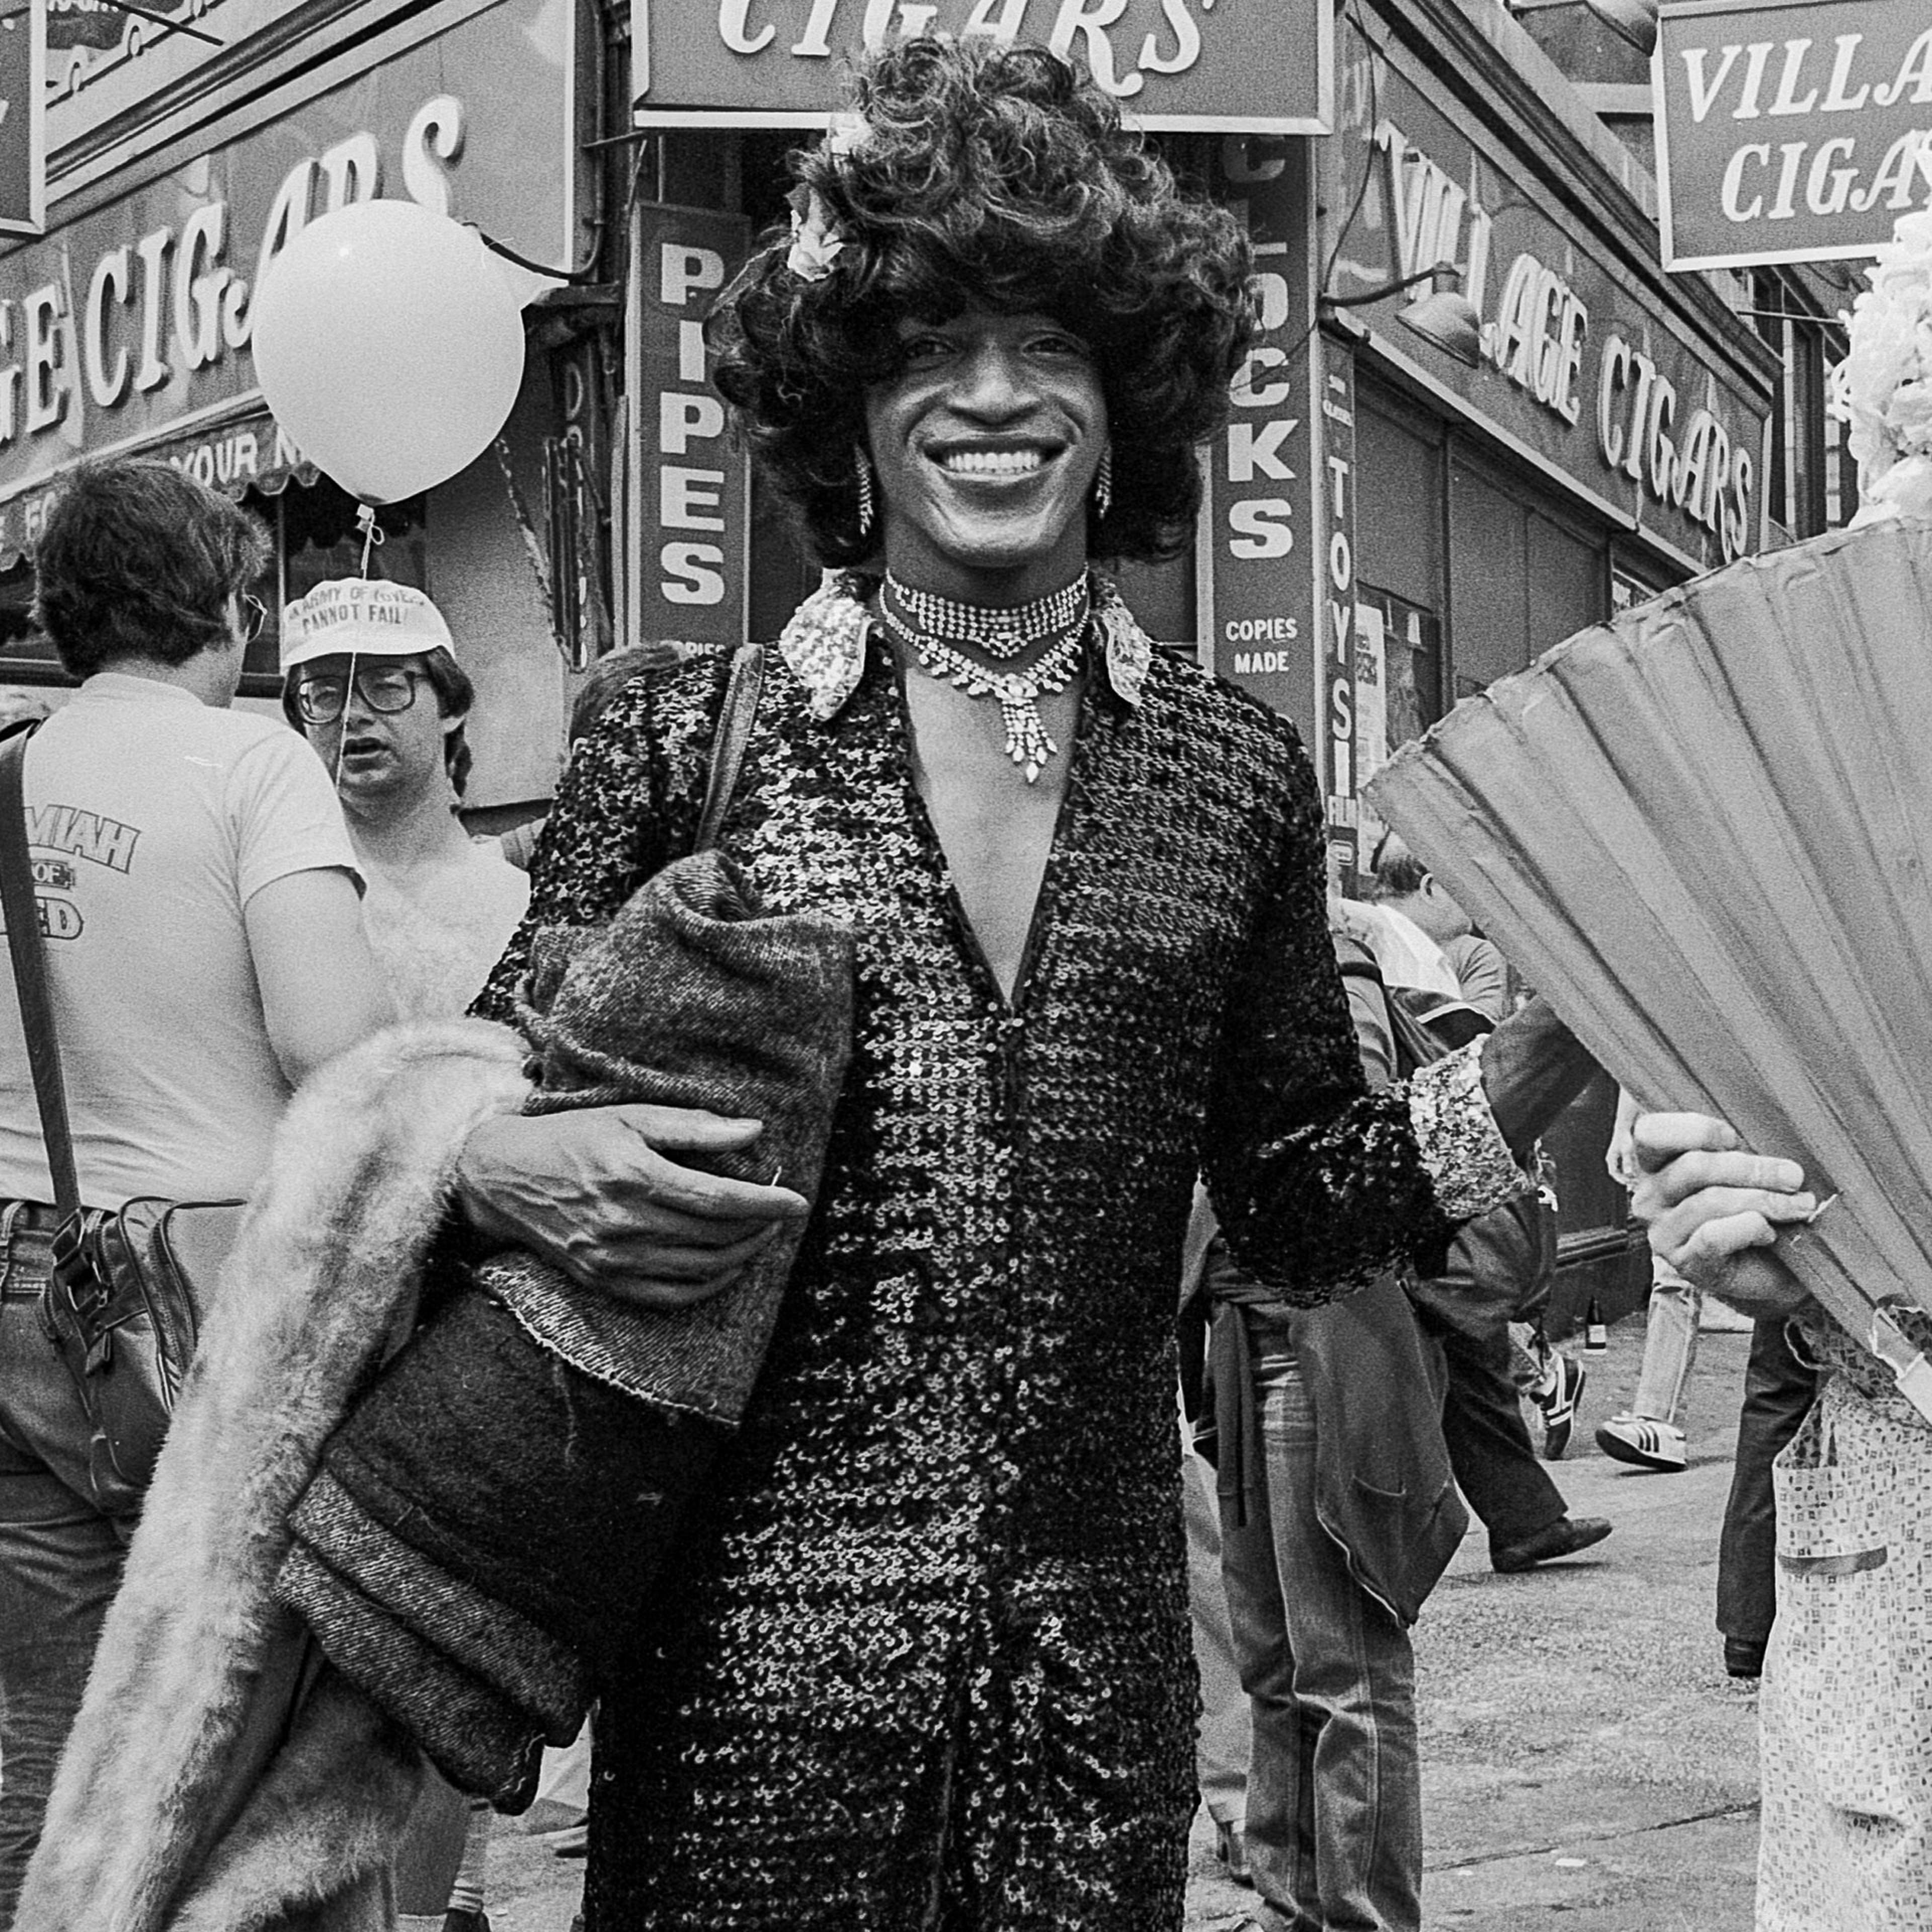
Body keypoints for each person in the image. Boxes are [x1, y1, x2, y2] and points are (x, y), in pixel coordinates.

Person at [17, 40, 1594, 1932]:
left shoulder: (1231, 773)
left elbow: (1296, 1198)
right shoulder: (690, 737)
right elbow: (479, 1086)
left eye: (1051, 347)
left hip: (1093, 1711)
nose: (994, 397)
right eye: (934, 348)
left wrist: (1557, 1040)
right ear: (850, 410)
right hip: (748, 1696)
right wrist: (516, 1163)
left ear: (1126, 403)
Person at [0, 459, 388, 1923]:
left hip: (14, 1296)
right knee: (266, 1741)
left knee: (47, 1745)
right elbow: (332, 1044)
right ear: (230, 608)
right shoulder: (250, 764)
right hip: (205, 1313)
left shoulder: (11, 764)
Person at [282, 580, 530, 1932]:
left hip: (475, 1329)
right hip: (315, 1329)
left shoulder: (526, 896)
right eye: (322, 689)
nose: (352, 712)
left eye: (386, 683)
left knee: (452, 1666)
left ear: (449, 702)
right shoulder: (282, 895)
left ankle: (454, 1909)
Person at [1196, 915, 1468, 1932]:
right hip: (1244, 1331)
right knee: (1270, 1664)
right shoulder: (1242, 947)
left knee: (1342, 1665)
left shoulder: (1323, 949)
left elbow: (1353, 1140)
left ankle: (1363, 1917)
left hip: (1320, 1330)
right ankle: (1288, 1904)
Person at [1368, 840, 1606, 1566]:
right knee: (1445, 1350)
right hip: (1407, 1190)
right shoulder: (1391, 950)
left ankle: (1526, 1518)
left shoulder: (1418, 954)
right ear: (1436, 884)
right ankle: (1499, 1521)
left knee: (1469, 1350)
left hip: (1416, 1193)